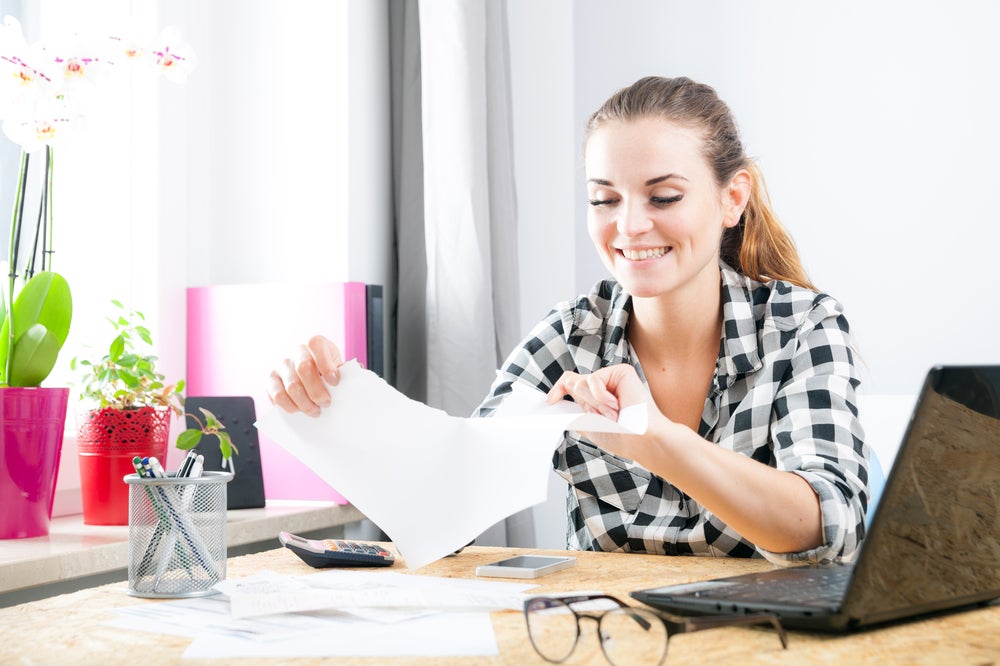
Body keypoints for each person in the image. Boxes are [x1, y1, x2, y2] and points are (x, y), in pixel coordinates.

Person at [267, 75, 870, 566]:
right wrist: (341, 412)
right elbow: (449, 502)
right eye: (604, 199)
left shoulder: (801, 325)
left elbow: (830, 525)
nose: (629, 225)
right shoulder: (571, 336)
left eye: (663, 197)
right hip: (600, 641)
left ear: (732, 198)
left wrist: (657, 441)